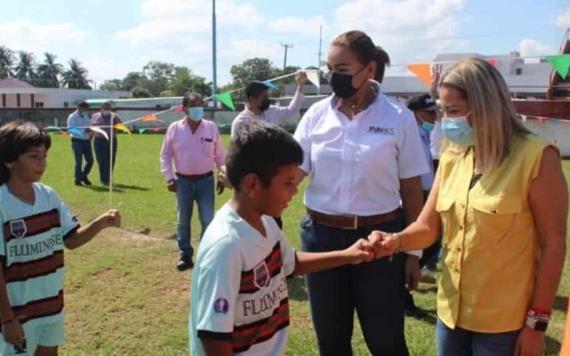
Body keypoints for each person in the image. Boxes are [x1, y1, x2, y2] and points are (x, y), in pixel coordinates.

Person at [372, 58, 567, 356]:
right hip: (451, 313)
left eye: (453, 111)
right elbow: (427, 227)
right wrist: (393, 241)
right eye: (443, 110)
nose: (445, 120)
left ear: (486, 107)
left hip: (503, 322)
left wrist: (536, 324)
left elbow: (553, 245)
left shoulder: (538, 159)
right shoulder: (453, 157)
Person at [293, 30, 429, 355]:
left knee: (386, 340)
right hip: (322, 239)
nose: (331, 77)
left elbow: (412, 190)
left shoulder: (398, 118)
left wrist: (412, 253)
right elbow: (292, 171)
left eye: (341, 69)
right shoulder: (316, 115)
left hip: (380, 242)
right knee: (331, 340)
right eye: (329, 68)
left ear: (369, 69)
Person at [189, 121, 377, 356]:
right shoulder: (226, 246)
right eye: (288, 183)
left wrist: (349, 255)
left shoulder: (265, 222)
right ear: (253, 184)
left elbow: (290, 264)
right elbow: (213, 339)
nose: (295, 190)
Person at [0, 121, 121, 355]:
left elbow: (71, 239)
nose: (42, 162)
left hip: (51, 306)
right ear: (9, 160)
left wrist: (101, 222)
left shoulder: (48, 196)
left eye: (44, 155)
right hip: (18, 314)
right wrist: (7, 320)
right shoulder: (3, 205)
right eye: (33, 156)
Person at [160, 93, 226, 271]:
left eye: (200, 104)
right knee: (183, 220)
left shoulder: (211, 128)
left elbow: (220, 155)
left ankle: (206, 255)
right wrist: (169, 177)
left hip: (206, 180)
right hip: (182, 182)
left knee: (207, 219)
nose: (199, 108)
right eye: (194, 105)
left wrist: (223, 174)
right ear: (185, 108)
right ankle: (185, 255)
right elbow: (165, 155)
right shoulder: (175, 128)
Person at [230, 71, 307, 139]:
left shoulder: (272, 111)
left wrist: (300, 85)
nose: (268, 99)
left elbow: (292, 110)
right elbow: (236, 151)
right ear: (252, 99)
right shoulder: (240, 122)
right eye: (264, 97)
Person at [91, 101, 122, 186]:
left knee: (110, 160)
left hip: (111, 140)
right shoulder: (95, 116)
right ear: (101, 108)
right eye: (105, 108)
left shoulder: (114, 116)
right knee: (101, 161)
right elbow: (91, 127)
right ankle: (103, 180)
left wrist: (116, 128)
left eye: (108, 108)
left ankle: (108, 179)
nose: (106, 110)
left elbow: (121, 126)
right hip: (99, 140)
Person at [67, 101, 94, 186]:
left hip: (86, 141)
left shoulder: (86, 117)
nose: (87, 111)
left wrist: (91, 131)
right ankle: (77, 180)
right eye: (85, 109)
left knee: (90, 160)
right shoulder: (72, 117)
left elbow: (90, 126)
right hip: (77, 141)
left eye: (87, 109)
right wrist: (84, 131)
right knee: (79, 162)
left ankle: (83, 176)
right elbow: (71, 129)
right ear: (80, 108)